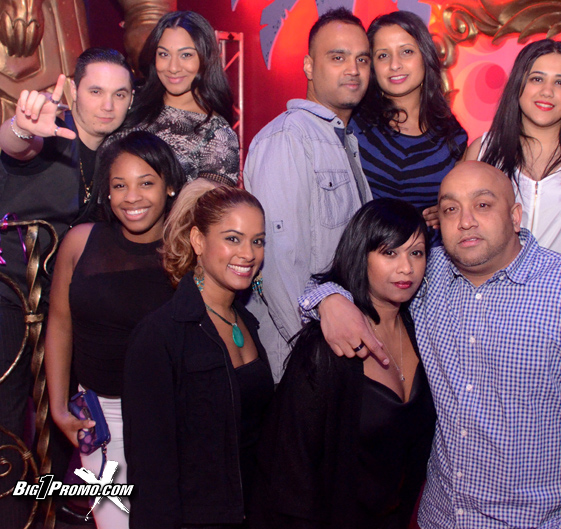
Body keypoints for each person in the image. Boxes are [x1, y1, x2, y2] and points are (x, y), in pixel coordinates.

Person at [301, 161, 561, 528]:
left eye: (482, 205)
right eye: (451, 209)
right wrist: (328, 300)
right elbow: (343, 275)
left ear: (515, 216)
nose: (465, 221)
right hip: (438, 518)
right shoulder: (423, 277)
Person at [0, 46, 132, 521]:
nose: (107, 105)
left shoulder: (119, 158)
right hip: (11, 303)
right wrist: (20, 128)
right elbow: (14, 144)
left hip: (66, 313)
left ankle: (53, 513)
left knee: (65, 428)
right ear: (73, 90)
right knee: (8, 426)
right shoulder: (49, 132)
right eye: (95, 91)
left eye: (120, 94)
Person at [251, 198, 436, 528]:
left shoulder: (423, 330)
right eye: (389, 253)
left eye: (417, 253)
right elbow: (291, 470)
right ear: (360, 255)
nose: (407, 267)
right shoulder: (327, 347)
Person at [43, 130, 187, 528]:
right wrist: (58, 407)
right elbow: (59, 324)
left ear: (170, 186)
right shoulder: (80, 242)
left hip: (169, 418)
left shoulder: (187, 251)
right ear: (106, 191)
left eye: (146, 183)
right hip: (101, 419)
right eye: (120, 185)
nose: (132, 197)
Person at [123, 182, 273, 529]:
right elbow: (151, 474)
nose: (248, 254)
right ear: (198, 241)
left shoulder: (247, 321)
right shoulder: (160, 336)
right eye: (233, 238)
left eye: (258, 241)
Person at [244, 7, 373, 382]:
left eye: (362, 59)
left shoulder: (342, 140)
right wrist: (309, 354)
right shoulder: (289, 137)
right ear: (309, 66)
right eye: (338, 57)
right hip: (302, 356)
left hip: (336, 346)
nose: (353, 69)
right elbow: (278, 260)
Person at [463, 39, 561, 268]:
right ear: (518, 86)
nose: (547, 91)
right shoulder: (483, 150)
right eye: (537, 79)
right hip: (498, 288)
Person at [351, 11, 467, 213]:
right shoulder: (352, 124)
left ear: (425, 56)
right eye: (383, 55)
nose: (394, 65)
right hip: (361, 233)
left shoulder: (453, 137)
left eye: (406, 52)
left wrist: (446, 212)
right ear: (372, 66)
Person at [121, 10, 240, 185]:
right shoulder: (130, 101)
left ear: (205, 57)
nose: (173, 67)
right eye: (164, 54)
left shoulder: (217, 134)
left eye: (186, 55)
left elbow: (212, 202)